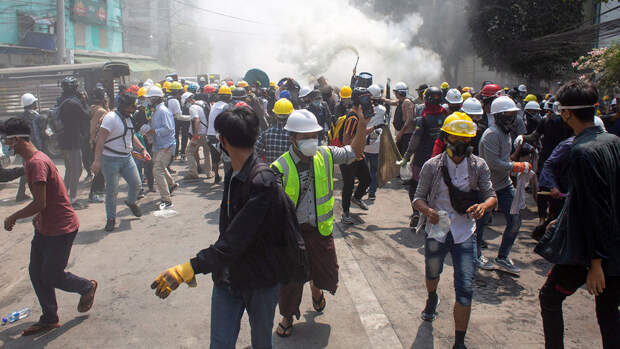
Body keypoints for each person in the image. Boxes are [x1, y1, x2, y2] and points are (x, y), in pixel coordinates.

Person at [151, 106, 287, 349]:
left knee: (261, 343)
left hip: (261, 281)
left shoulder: (262, 182)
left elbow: (234, 240)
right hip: (228, 278)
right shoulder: (232, 172)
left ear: (222, 141)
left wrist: (190, 268)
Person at [272, 104, 370, 337]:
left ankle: (317, 292)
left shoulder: (324, 154)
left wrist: (363, 126)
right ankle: (287, 316)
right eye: (305, 137)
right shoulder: (280, 167)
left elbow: (354, 152)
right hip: (293, 234)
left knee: (321, 270)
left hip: (320, 230)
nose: (311, 141)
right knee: (291, 279)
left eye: (314, 136)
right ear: (293, 138)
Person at [537, 80, 620, 349]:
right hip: (614, 246)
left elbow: (595, 208)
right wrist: (559, 222)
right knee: (608, 314)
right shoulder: (613, 141)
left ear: (567, 113)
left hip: (590, 251)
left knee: (550, 298)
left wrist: (596, 264)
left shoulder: (581, 151)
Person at [1, 117, 97, 336]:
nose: (7, 145)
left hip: (61, 228)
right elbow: (44, 202)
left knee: (51, 275)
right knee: (36, 273)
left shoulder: (36, 163)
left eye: (8, 140)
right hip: (46, 226)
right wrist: (37, 217)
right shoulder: (34, 159)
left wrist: (13, 216)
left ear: (16, 139)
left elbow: (40, 202)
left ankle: (86, 287)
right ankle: (49, 318)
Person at [414, 112, 497, 349]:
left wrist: (483, 205)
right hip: (437, 229)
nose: (460, 145)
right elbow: (418, 197)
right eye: (454, 139)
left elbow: (492, 195)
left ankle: (459, 342)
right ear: (445, 138)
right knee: (432, 273)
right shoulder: (432, 166)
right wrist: (427, 210)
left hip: (465, 232)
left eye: (466, 140)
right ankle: (432, 298)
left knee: (465, 289)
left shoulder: (478, 165)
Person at [479, 96, 531, 275]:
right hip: (486, 186)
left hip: (504, 184)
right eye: (509, 114)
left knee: (515, 220)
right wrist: (517, 166)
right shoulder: (492, 134)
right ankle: (476, 254)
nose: (512, 118)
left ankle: (502, 256)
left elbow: (504, 159)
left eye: (513, 114)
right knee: (482, 222)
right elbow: (493, 163)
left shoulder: (506, 133)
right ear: (499, 116)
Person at [91, 93, 145, 231]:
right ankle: (111, 218)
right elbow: (101, 140)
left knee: (136, 184)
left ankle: (131, 202)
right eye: (132, 106)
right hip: (110, 160)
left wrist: (142, 149)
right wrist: (97, 161)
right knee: (112, 191)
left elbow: (131, 135)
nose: (134, 109)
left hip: (127, 158)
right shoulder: (111, 118)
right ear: (124, 106)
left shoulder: (128, 119)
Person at [402, 86, 448, 228]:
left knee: (415, 187)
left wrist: (406, 156)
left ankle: (417, 212)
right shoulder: (447, 115)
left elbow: (415, 140)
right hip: (442, 158)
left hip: (422, 159)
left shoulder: (424, 118)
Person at [340, 88, 374, 224]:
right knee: (348, 186)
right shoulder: (353, 118)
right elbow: (346, 140)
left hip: (359, 155)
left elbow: (360, 132)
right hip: (349, 157)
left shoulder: (360, 117)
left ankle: (357, 197)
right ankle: (345, 212)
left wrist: (374, 127)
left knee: (367, 179)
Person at [57, 76, 90, 207]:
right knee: (77, 169)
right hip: (73, 142)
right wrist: (84, 101)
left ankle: (63, 196)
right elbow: (87, 115)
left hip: (62, 141)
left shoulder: (61, 100)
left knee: (69, 169)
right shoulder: (74, 103)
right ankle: (72, 199)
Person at [143, 85, 177, 209]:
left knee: (157, 170)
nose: (148, 100)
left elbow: (168, 128)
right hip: (159, 144)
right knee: (159, 166)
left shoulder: (162, 111)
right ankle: (171, 184)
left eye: (150, 98)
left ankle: (166, 199)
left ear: (156, 98)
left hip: (166, 145)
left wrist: (153, 131)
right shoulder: (156, 110)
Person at [16, 93, 43, 202]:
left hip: (24, 147)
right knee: (36, 171)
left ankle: (20, 193)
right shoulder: (36, 117)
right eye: (35, 102)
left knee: (26, 170)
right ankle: (37, 195)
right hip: (33, 148)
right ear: (32, 104)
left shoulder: (20, 117)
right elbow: (37, 134)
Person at [365, 85, 388, 200]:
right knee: (374, 170)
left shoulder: (364, 108)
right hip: (377, 144)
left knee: (364, 169)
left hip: (364, 142)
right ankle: (372, 193)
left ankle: (364, 187)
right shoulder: (383, 110)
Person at [206, 86, 233, 183]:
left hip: (210, 134)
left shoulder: (214, 105)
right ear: (228, 96)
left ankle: (216, 175)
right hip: (219, 135)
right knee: (227, 157)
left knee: (215, 157)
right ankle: (228, 178)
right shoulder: (225, 107)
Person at [87, 86, 109, 203]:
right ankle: (94, 193)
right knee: (100, 169)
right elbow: (93, 128)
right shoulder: (100, 111)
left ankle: (98, 191)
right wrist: (93, 140)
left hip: (95, 143)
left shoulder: (94, 108)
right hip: (98, 143)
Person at [255, 98, 293, 164]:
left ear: (275, 115)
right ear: (290, 115)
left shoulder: (266, 133)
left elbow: (256, 151)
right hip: (291, 172)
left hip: (272, 172)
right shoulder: (295, 134)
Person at [183, 92, 210, 179]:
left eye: (185, 102)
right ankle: (209, 172)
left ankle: (193, 172)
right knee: (206, 152)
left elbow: (196, 119)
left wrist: (195, 134)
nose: (186, 105)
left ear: (189, 100)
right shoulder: (202, 103)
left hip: (199, 134)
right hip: (207, 132)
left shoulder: (193, 107)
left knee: (189, 152)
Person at [384, 82, 415, 156]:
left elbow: (409, 120)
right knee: (398, 154)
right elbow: (391, 102)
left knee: (403, 156)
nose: (395, 94)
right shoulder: (401, 101)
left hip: (406, 134)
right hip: (402, 133)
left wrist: (400, 133)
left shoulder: (407, 102)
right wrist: (382, 99)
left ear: (400, 93)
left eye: (396, 92)